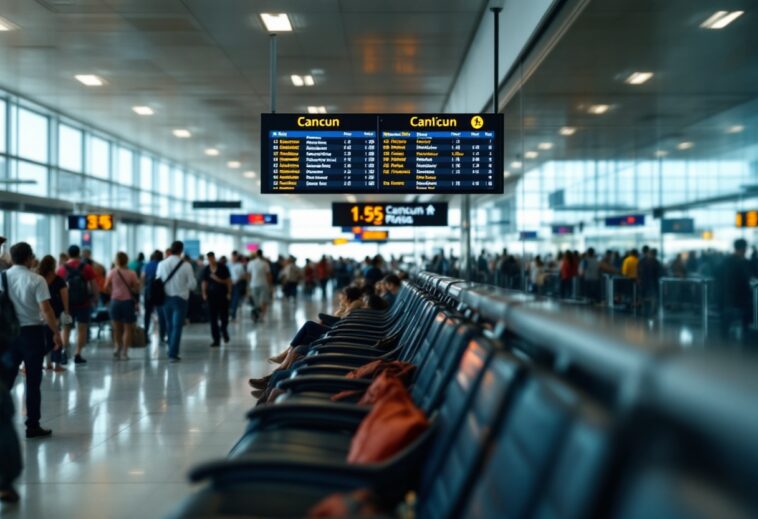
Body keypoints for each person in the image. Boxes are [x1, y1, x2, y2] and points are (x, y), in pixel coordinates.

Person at [1, 242, 63, 439]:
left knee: (5, 381)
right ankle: (32, 425)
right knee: (33, 382)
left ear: (11, 258)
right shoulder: (37, 280)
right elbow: (46, 310)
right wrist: (56, 332)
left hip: (8, 335)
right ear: (29, 258)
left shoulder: (1, 278)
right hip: (32, 334)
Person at [57, 245, 99, 365]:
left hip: (66, 305)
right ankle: (78, 353)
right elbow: (94, 285)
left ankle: (64, 352)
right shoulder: (86, 267)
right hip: (83, 303)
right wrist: (95, 298)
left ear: (68, 254)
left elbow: (57, 287)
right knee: (82, 329)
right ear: (79, 253)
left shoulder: (61, 269)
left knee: (66, 329)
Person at [156, 241, 196, 362]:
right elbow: (193, 284)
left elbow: (158, 280)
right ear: (181, 250)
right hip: (181, 299)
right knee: (177, 326)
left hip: (165, 299)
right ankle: (173, 354)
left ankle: (171, 349)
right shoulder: (186, 265)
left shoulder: (162, 264)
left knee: (169, 325)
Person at [716, 239, 754, 345]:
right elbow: (749, 278)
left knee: (725, 327)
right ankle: (745, 348)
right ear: (744, 249)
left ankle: (725, 350)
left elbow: (718, 277)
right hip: (742, 299)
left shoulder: (724, 262)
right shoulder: (745, 263)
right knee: (745, 324)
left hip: (727, 298)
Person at [104, 252, 140, 360]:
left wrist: (113, 292)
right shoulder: (131, 273)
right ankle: (125, 352)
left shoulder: (112, 272)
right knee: (128, 328)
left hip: (115, 302)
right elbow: (137, 288)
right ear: (127, 260)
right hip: (127, 302)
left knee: (116, 329)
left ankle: (117, 347)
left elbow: (105, 287)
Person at [36, 255, 69, 372]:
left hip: (39, 312)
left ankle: (47, 363)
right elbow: (64, 297)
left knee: (44, 338)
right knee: (56, 336)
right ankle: (57, 365)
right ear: (53, 266)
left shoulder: (37, 278)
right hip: (54, 313)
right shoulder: (59, 281)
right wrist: (66, 310)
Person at [201, 252, 232, 347]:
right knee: (213, 318)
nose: (210, 260)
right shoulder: (206, 269)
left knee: (224, 317)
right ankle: (216, 339)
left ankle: (224, 330)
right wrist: (204, 293)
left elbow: (228, 281)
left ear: (214, 257)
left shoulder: (223, 267)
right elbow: (204, 282)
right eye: (209, 259)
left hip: (222, 296)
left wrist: (229, 293)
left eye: (211, 258)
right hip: (211, 296)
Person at [142, 250, 166, 343]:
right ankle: (162, 335)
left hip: (149, 292)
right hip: (160, 292)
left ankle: (145, 334)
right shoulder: (162, 265)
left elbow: (143, 277)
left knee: (147, 314)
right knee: (161, 314)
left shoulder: (147, 265)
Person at [247, 250, 272, 322]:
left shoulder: (251, 263)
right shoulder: (265, 263)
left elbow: (249, 275)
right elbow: (268, 275)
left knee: (256, 301)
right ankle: (262, 316)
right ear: (262, 254)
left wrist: (248, 286)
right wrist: (270, 285)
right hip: (264, 284)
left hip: (253, 284)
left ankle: (256, 314)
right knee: (264, 301)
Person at [229, 251, 248, 321]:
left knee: (235, 300)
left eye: (235, 256)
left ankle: (233, 315)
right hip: (229, 284)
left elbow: (243, 276)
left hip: (237, 284)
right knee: (230, 300)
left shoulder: (240, 265)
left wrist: (237, 280)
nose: (234, 258)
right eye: (233, 256)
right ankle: (230, 314)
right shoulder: (229, 265)